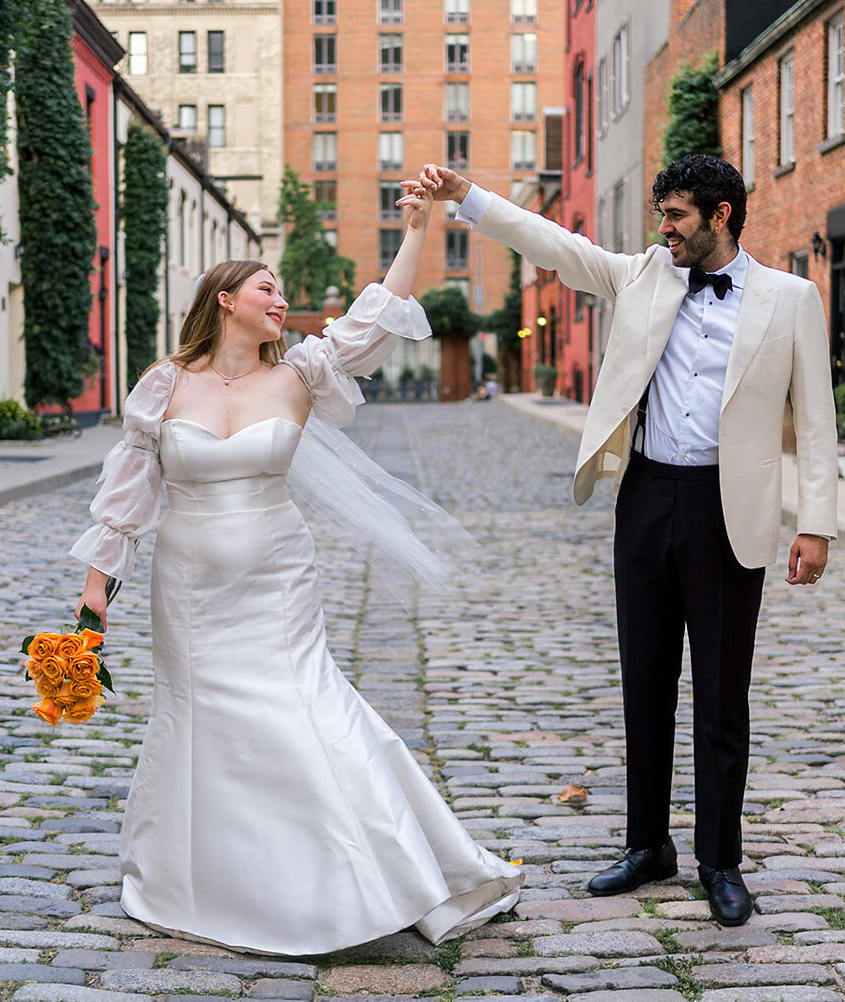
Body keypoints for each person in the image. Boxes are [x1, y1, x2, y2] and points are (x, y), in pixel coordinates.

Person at [68, 190, 521, 955]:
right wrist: (93, 595)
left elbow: (381, 310)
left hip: (276, 581)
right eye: (267, 287)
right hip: (185, 588)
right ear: (226, 300)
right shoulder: (165, 384)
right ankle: (199, 881)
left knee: (304, 712)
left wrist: (416, 228)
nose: (281, 299)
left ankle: (362, 877)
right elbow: (127, 496)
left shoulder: (305, 371)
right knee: (199, 723)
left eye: (281, 290)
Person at [405, 156, 837, 927]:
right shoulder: (643, 275)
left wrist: (816, 521)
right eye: (661, 214)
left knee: (721, 694)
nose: (663, 228)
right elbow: (552, 245)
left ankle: (720, 860)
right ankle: (648, 845)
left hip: (726, 508)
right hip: (645, 498)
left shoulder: (791, 297)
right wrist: (464, 197)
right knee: (644, 679)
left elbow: (817, 417)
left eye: (676, 216)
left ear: (722, 215)